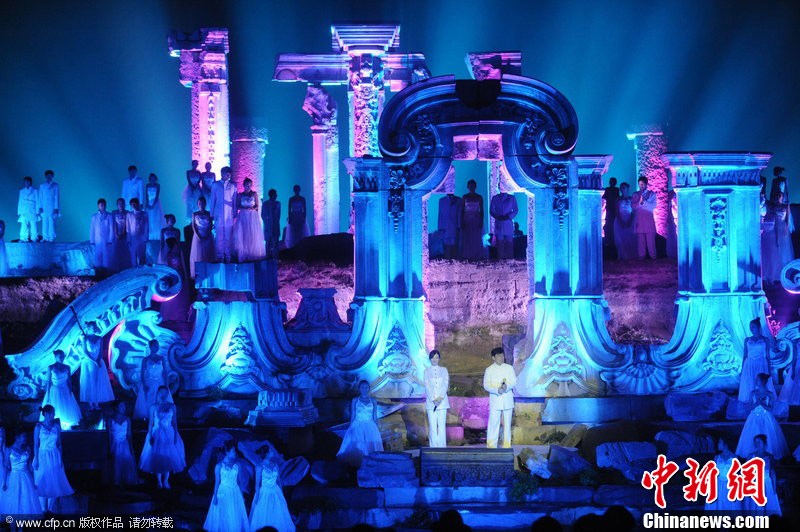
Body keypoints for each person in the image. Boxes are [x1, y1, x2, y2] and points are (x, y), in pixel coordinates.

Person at [139, 386, 185, 489]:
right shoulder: (153, 407)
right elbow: (150, 423)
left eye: (165, 392)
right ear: (158, 393)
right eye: (161, 392)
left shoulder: (172, 406)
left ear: (168, 394)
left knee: (169, 455)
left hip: (169, 432)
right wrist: (150, 435)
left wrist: (176, 435)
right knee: (157, 456)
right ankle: (159, 481)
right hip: (157, 432)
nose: (163, 394)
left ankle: (166, 481)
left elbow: (175, 422)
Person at [736, 374, 788, 459]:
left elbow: (771, 409)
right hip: (754, 417)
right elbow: (749, 407)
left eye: (758, 380)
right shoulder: (753, 393)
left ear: (763, 381)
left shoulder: (770, 394)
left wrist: (762, 404)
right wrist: (756, 403)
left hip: (766, 417)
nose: (756, 381)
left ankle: (769, 455)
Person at [34, 405, 74, 512]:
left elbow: (59, 444)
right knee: (42, 479)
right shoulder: (38, 427)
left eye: (54, 413)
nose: (54, 415)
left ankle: (50, 508)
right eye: (52, 413)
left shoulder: (56, 427)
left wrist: (61, 458)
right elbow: (35, 444)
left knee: (55, 479)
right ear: (46, 414)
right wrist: (36, 459)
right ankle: (43, 508)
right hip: (42, 455)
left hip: (54, 455)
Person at [246, 445, 295, 532]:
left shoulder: (275, 465)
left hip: (275, 491)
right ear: (267, 453)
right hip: (265, 491)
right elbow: (257, 484)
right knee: (265, 511)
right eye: (271, 451)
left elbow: (278, 481)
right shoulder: (259, 466)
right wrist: (257, 497)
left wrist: (281, 494)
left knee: (276, 511)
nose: (273, 452)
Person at [203, 441, 249, 532]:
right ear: (227, 452)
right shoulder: (219, 466)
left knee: (234, 513)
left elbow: (239, 482)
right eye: (233, 451)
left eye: (235, 451)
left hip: (235, 491)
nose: (235, 453)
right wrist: (215, 497)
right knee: (223, 513)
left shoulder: (237, 465)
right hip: (223, 492)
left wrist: (242, 495)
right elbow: (217, 483)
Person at [337, 380, 383, 467]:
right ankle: (357, 465)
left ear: (369, 388)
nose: (364, 389)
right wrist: (350, 427)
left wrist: (377, 429)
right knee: (358, 444)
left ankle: (370, 464)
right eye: (362, 387)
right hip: (358, 424)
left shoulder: (373, 400)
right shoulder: (355, 400)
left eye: (366, 387)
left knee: (370, 445)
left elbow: (374, 416)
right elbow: (353, 414)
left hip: (370, 425)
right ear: (359, 388)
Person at [1, 433, 42, 521]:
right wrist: (4, 482)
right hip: (14, 477)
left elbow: (30, 467)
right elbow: (5, 467)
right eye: (24, 436)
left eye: (25, 436)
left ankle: (21, 526)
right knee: (14, 501)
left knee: (24, 501)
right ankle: (12, 525)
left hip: (26, 478)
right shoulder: (9, 449)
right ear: (17, 437)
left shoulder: (27, 449)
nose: (25, 438)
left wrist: (34, 481)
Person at [762, 172, 794, 283]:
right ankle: (771, 274)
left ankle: (783, 274)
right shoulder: (771, 205)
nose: (778, 197)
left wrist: (786, 228)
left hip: (782, 229)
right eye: (777, 195)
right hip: (773, 228)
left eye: (780, 195)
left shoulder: (786, 206)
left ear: (782, 196)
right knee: (772, 250)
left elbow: (788, 218)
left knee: (783, 250)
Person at [483, 347, 516, 448]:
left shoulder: (509, 368)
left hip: (507, 399)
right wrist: (497, 390)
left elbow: (514, 381)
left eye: (502, 355)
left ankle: (506, 445)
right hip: (495, 399)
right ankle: (491, 446)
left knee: (507, 424)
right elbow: (486, 385)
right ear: (493, 357)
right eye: (498, 356)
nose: (501, 357)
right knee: (493, 423)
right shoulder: (489, 370)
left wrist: (507, 387)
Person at [77, 321, 114, 409]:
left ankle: (97, 402)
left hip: (98, 360)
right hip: (89, 362)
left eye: (95, 327)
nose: (94, 329)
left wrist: (98, 360)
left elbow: (101, 350)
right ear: (89, 328)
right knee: (90, 381)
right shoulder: (85, 339)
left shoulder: (99, 338)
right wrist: (94, 361)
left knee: (98, 381)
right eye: (92, 328)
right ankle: (91, 403)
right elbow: (85, 352)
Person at [42, 350, 81, 429]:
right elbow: (48, 382)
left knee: (67, 408)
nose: (62, 358)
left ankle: (65, 426)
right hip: (55, 390)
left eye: (63, 356)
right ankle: (55, 426)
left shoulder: (67, 367)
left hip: (65, 390)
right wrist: (48, 394)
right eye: (60, 357)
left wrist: (70, 391)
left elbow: (69, 381)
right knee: (56, 407)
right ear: (55, 357)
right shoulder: (51, 367)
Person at [133, 340, 172, 421]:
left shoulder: (161, 358)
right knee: (149, 399)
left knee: (161, 398)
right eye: (155, 346)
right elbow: (142, 373)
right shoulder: (145, 359)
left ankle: (161, 416)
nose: (157, 347)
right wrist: (144, 385)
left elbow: (165, 372)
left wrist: (166, 384)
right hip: (149, 382)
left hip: (160, 382)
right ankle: (150, 417)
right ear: (150, 347)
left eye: (157, 345)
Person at [739, 318, 775, 403]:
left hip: (761, 363)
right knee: (750, 381)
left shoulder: (765, 339)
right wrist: (742, 369)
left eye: (753, 327)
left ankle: (763, 401)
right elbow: (745, 355)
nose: (751, 329)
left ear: (758, 327)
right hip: (749, 363)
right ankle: (750, 400)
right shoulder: (747, 340)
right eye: (750, 327)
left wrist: (769, 370)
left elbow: (768, 356)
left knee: (761, 382)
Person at [744, 434, 781, 516]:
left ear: (764, 443)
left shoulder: (770, 456)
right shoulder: (750, 456)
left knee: (769, 504)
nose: (756, 444)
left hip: (767, 483)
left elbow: (772, 473)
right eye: (755, 442)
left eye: (759, 442)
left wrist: (774, 489)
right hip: (755, 483)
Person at [704, 439, 743, 513]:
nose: (718, 444)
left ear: (725, 444)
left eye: (720, 442)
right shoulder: (717, 457)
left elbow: (738, 474)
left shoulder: (735, 457)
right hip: (718, 485)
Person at [233, 178, 265, 262]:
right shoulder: (240, 195)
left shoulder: (254, 194)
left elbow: (257, 205)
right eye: (247, 185)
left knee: (252, 234)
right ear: (244, 185)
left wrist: (252, 208)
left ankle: (252, 253)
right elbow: (238, 206)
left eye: (250, 185)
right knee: (243, 234)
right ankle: (244, 253)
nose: (248, 186)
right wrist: (244, 208)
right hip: (243, 216)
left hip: (252, 216)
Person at [106, 401, 138, 486]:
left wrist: (131, 447)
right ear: (116, 408)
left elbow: (129, 434)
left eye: (124, 406)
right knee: (115, 463)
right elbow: (109, 435)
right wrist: (109, 447)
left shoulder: (127, 419)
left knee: (126, 461)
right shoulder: (110, 420)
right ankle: (116, 483)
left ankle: (126, 482)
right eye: (121, 406)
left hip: (125, 443)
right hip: (114, 444)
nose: (124, 408)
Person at [209, 166, 237, 262]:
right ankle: (220, 256)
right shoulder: (215, 185)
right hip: (218, 214)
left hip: (229, 214)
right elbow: (213, 199)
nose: (229, 175)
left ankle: (228, 256)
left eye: (230, 173)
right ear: (222, 173)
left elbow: (234, 200)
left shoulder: (233, 185)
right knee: (219, 237)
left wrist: (235, 212)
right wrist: (211, 214)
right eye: (227, 173)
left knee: (228, 236)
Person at [160, 237, 190, 322]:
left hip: (179, 275)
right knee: (172, 298)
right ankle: (170, 316)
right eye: (175, 244)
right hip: (171, 277)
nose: (177, 245)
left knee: (180, 297)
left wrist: (185, 276)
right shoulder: (168, 255)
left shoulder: (179, 252)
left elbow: (183, 265)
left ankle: (180, 317)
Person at [424, 350, 450, 448]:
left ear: (439, 358)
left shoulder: (444, 370)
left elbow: (445, 384)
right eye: (432, 357)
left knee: (441, 426)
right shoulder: (426, 371)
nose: (434, 359)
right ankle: (433, 447)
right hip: (431, 403)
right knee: (433, 427)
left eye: (436, 357)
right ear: (430, 359)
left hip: (442, 402)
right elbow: (427, 386)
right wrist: (433, 399)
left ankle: (442, 448)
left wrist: (440, 398)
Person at [631, 176, 657, 259]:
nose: (641, 186)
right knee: (640, 242)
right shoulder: (635, 194)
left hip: (649, 220)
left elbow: (653, 206)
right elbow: (633, 207)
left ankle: (653, 257)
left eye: (642, 184)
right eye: (639, 184)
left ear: (646, 184)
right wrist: (639, 202)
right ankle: (641, 258)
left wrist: (644, 202)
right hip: (639, 220)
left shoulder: (652, 194)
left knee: (651, 242)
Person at [190, 196, 215, 279]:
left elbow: (211, 225)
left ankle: (208, 273)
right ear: (197, 204)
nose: (201, 204)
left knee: (208, 254)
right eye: (199, 203)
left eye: (202, 203)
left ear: (205, 204)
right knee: (198, 255)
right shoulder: (195, 214)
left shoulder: (209, 213)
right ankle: (198, 274)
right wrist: (198, 236)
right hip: (198, 236)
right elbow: (194, 226)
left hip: (207, 235)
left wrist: (208, 234)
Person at [490, 189, 518, 260]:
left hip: (508, 222)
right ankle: (501, 261)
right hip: (499, 222)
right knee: (500, 244)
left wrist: (508, 216)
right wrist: (497, 217)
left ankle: (510, 260)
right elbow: (491, 211)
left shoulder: (511, 198)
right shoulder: (495, 198)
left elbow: (515, 210)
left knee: (509, 244)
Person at [460, 179, 485, 260]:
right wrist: (461, 221)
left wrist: (481, 221)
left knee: (476, 237)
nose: (471, 187)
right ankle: (467, 255)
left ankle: (476, 255)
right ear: (468, 187)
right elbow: (462, 210)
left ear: (475, 187)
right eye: (470, 186)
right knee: (467, 237)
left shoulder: (479, 197)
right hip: (467, 219)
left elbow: (482, 210)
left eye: (473, 186)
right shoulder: (465, 197)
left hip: (476, 218)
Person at [614, 183, 637, 260]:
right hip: (619, 219)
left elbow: (634, 211)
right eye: (621, 188)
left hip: (629, 218)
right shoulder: (618, 199)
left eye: (624, 187)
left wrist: (630, 221)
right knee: (620, 239)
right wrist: (620, 221)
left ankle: (630, 256)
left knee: (630, 238)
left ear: (627, 189)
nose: (622, 189)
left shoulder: (631, 199)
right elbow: (616, 211)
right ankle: (622, 256)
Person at [89, 199, 113, 273]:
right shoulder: (94, 217)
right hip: (97, 240)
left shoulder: (109, 216)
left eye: (104, 205)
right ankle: (98, 272)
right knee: (97, 256)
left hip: (106, 241)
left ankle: (106, 272)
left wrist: (110, 240)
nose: (102, 206)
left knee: (106, 256)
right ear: (98, 206)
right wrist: (92, 241)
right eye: (101, 205)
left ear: (106, 205)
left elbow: (111, 228)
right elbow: (92, 229)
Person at [438, 191, 462, 259]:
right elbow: (440, 215)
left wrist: (459, 226)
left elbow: (460, 214)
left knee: (455, 244)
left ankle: (454, 260)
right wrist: (440, 228)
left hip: (455, 226)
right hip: (445, 226)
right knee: (445, 245)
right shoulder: (441, 200)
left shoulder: (459, 200)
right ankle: (447, 260)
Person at [38, 170, 60, 242]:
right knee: (44, 222)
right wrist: (40, 207)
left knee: (51, 222)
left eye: (50, 175)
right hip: (44, 206)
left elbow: (56, 197)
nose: (49, 177)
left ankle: (51, 237)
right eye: (48, 175)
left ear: (52, 176)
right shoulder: (42, 186)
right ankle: (45, 237)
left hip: (52, 206)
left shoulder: (55, 185)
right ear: (45, 176)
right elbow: (40, 197)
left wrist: (56, 208)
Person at [285, 184, 310, 249]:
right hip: (294, 217)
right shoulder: (292, 199)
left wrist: (304, 218)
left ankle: (300, 246)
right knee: (294, 232)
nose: (296, 191)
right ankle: (295, 247)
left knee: (300, 232)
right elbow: (289, 209)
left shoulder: (301, 199)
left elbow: (304, 209)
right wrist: (290, 218)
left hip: (299, 216)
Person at [126, 198, 148, 267]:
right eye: (132, 205)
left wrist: (145, 238)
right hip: (132, 238)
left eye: (135, 204)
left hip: (141, 238)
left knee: (142, 255)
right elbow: (128, 228)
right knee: (133, 256)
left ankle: (142, 270)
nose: (134, 206)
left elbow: (146, 226)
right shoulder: (129, 214)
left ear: (138, 204)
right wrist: (128, 239)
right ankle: (134, 270)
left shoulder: (144, 214)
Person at [110, 198, 131, 272]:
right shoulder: (114, 212)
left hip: (125, 236)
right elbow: (113, 224)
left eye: (122, 203)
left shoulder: (128, 213)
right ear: (117, 205)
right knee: (116, 252)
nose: (121, 205)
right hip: (116, 236)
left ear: (124, 204)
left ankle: (125, 269)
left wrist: (123, 233)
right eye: (119, 204)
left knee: (125, 252)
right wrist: (116, 233)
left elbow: (128, 224)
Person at [17, 176, 39, 242]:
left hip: (32, 209)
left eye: (27, 181)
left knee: (33, 224)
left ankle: (34, 238)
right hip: (24, 209)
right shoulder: (22, 191)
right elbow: (20, 201)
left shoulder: (35, 191)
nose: (25, 183)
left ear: (30, 182)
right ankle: (23, 238)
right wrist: (19, 211)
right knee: (24, 224)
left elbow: (37, 201)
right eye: (25, 182)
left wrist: (37, 211)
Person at [261, 188, 281, 259]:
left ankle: (275, 256)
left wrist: (276, 222)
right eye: (275, 195)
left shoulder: (278, 204)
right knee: (268, 242)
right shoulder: (265, 204)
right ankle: (268, 256)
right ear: (272, 195)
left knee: (275, 242)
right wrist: (267, 222)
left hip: (275, 225)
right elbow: (263, 215)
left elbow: (279, 215)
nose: (276, 196)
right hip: (268, 226)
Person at [602, 177, 620, 255]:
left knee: (612, 226)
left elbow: (616, 199)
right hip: (609, 209)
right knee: (608, 225)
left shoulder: (615, 190)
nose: (612, 183)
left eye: (613, 181)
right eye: (611, 181)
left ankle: (611, 242)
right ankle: (608, 242)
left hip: (613, 209)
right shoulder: (609, 189)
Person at [183, 160, 203, 226]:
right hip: (190, 188)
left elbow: (199, 180)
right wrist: (192, 186)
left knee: (197, 202)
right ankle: (190, 219)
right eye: (195, 164)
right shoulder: (188, 172)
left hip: (197, 188)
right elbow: (188, 180)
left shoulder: (199, 172)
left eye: (197, 164)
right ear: (192, 164)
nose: (196, 165)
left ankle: (197, 218)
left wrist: (196, 186)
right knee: (190, 203)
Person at [144, 173, 163, 241]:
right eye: (151, 178)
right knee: (149, 217)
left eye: (154, 178)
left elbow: (157, 196)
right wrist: (147, 203)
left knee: (155, 217)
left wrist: (153, 205)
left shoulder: (157, 185)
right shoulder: (147, 185)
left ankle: (156, 234)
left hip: (155, 203)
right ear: (149, 179)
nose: (153, 179)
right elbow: (146, 195)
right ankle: (149, 233)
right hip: (148, 202)